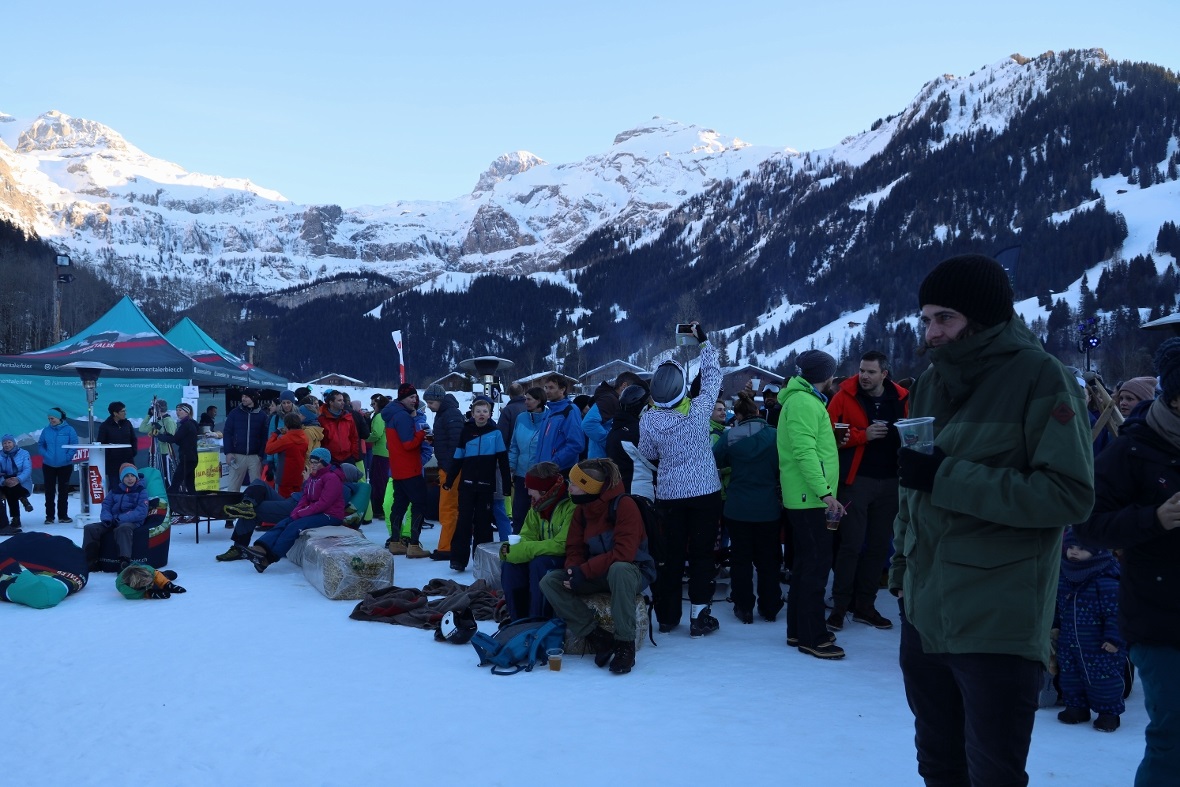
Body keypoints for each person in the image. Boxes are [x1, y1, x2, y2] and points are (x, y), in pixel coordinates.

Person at [891, 254, 1094, 787]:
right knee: (938, 765)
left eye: (945, 318)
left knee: (993, 775)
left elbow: (1069, 495)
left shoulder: (1042, 378)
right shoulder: (931, 381)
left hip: (997, 618)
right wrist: (901, 573)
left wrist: (947, 477)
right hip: (925, 612)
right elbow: (914, 492)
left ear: (982, 317)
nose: (932, 332)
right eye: (927, 318)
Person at [1076, 336, 1180, 784]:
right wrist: (1154, 518)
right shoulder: (1133, 449)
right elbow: (1088, 523)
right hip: (1161, 617)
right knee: (1173, 736)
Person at [639, 320, 724, 638]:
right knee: (702, 554)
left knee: (670, 555)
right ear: (681, 387)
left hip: (670, 496)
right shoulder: (700, 409)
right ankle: (700, 617)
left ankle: (667, 616)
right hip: (705, 493)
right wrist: (704, 343)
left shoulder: (648, 419)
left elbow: (648, 454)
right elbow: (714, 376)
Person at [538, 458, 656, 674]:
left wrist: (585, 570)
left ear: (588, 488)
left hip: (632, 572)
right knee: (550, 581)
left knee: (619, 568)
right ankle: (597, 636)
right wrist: (573, 570)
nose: (569, 487)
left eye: (574, 484)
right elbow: (574, 548)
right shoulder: (582, 509)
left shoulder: (625, 506)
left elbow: (624, 553)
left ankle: (624, 645)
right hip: (596, 573)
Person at [825, 349, 909, 632]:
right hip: (856, 481)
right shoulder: (844, 397)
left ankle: (865, 605)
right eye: (862, 370)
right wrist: (864, 436)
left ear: (884, 374)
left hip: (890, 482)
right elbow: (828, 439)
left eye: (871, 372)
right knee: (850, 544)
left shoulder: (900, 399)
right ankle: (839, 607)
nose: (864, 376)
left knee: (877, 547)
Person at [777, 349, 845, 659]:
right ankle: (812, 637)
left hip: (806, 496)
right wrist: (825, 493)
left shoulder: (804, 400)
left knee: (806, 565)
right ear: (826, 376)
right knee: (816, 568)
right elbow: (804, 453)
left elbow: (810, 448)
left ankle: (797, 630)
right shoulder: (805, 402)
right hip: (810, 499)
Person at [713, 391, 781, 625]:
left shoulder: (731, 435)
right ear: (758, 413)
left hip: (738, 507)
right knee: (769, 559)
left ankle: (744, 607)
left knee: (741, 559)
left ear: (739, 415)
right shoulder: (775, 435)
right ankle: (770, 606)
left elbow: (716, 460)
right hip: (768, 507)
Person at [1053, 528, 1124, 732]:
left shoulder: (1106, 580)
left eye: (1082, 549)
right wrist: (1055, 627)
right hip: (1069, 641)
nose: (1074, 552)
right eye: (1071, 547)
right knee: (1070, 677)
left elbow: (1117, 613)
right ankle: (1077, 708)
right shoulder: (1064, 577)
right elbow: (1058, 606)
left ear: (1097, 551)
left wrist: (1114, 638)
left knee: (1104, 679)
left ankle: (1109, 714)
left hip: (1100, 644)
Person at [241, 448, 346, 572]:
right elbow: (305, 497)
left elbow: (324, 503)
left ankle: (269, 558)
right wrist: (296, 511)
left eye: (315, 462)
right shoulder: (313, 477)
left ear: (324, 463)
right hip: (316, 512)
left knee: (295, 526)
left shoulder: (331, 478)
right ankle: (261, 547)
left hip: (330, 515)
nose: (312, 465)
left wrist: (302, 513)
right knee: (285, 522)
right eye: (311, 461)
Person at [443, 396, 511, 571]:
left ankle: (481, 559)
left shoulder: (495, 433)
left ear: (490, 414)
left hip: (486, 486)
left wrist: (507, 484)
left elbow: (503, 461)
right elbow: (457, 458)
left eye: (485, 411)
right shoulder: (466, 431)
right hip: (466, 486)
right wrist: (449, 480)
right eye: (478, 411)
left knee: (483, 524)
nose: (481, 414)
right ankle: (458, 559)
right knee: (464, 522)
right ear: (472, 414)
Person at [500, 462, 573, 620]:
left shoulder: (571, 505)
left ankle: (537, 619)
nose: (527, 492)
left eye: (531, 488)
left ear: (544, 489)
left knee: (539, 564)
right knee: (511, 565)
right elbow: (527, 535)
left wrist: (523, 550)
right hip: (543, 554)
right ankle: (518, 619)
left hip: (569, 559)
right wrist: (514, 549)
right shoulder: (538, 505)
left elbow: (562, 544)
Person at [382, 384, 431, 558]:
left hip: (397, 469)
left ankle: (395, 542)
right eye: (412, 397)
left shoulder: (391, 415)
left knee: (399, 504)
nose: (415, 400)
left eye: (416, 397)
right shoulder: (402, 416)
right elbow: (408, 444)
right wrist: (421, 434)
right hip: (410, 468)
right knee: (419, 504)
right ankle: (414, 545)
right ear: (403, 397)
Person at [82, 463, 149, 571]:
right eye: (127, 476)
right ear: (122, 478)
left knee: (123, 529)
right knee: (90, 528)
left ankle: (124, 561)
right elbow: (106, 505)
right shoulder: (115, 490)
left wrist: (121, 519)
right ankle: (90, 561)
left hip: (132, 522)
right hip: (113, 520)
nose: (130, 479)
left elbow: (141, 511)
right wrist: (107, 518)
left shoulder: (141, 491)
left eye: (132, 476)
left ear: (136, 477)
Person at [424, 383, 464, 562]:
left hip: (450, 469)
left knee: (448, 508)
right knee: (448, 508)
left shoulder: (451, 414)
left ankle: (447, 548)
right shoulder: (444, 414)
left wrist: (449, 468)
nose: (429, 406)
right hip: (447, 467)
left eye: (431, 402)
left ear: (439, 400)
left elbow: (457, 443)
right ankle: (450, 545)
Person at [507, 387, 547, 534]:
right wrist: (511, 466)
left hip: (541, 475)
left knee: (538, 513)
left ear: (539, 400)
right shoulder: (521, 418)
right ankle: (517, 542)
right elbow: (514, 445)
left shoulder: (549, 418)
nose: (526, 402)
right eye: (525, 398)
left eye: (529, 399)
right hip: (522, 474)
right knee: (519, 512)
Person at [582, 372, 644, 459]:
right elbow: (588, 423)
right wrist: (611, 442)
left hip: (606, 460)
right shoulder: (608, 399)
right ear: (624, 386)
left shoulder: (617, 400)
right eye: (633, 388)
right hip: (601, 461)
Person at [533, 374, 584, 473]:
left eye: (551, 388)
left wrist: (553, 462)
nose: (547, 391)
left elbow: (576, 444)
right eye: (546, 387)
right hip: (543, 470)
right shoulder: (550, 412)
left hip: (559, 471)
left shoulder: (570, 411)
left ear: (562, 389)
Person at [221, 390, 268, 492]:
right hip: (237, 455)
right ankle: (231, 505)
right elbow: (227, 432)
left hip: (255, 457)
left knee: (256, 487)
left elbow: (265, 437)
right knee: (233, 487)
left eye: (246, 396)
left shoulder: (262, 415)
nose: (243, 399)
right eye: (243, 396)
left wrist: (260, 455)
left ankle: (255, 506)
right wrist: (228, 452)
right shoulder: (234, 413)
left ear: (253, 398)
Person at [38, 408, 78, 524]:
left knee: (63, 491)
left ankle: (63, 516)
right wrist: (46, 455)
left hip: (65, 465)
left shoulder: (69, 430)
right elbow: (41, 444)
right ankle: (49, 516)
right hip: (48, 465)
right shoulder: (46, 430)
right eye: (49, 419)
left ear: (59, 417)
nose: (51, 420)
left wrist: (67, 457)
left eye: (52, 418)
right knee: (49, 492)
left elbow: (74, 445)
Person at [156, 403, 199, 494]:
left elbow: (175, 439)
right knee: (190, 483)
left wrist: (160, 436)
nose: (177, 412)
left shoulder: (187, 425)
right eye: (177, 410)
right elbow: (180, 440)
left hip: (187, 458)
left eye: (180, 410)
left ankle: (172, 503)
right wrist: (168, 436)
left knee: (176, 482)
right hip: (191, 458)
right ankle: (193, 503)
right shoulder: (190, 423)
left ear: (187, 412)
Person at [264, 413, 309, 498]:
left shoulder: (286, 439)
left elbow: (268, 449)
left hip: (285, 476)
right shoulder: (304, 437)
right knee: (297, 500)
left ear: (286, 424)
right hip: (299, 474)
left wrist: (275, 434)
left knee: (284, 501)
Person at [97, 401, 136, 490]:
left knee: (129, 484)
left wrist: (133, 451)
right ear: (115, 413)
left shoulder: (127, 423)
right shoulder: (105, 426)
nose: (125, 413)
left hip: (128, 460)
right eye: (122, 411)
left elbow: (133, 439)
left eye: (125, 410)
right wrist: (110, 454)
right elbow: (101, 443)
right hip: (113, 463)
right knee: (115, 486)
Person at [0, 434, 34, 533]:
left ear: (14, 443)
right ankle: (22, 499)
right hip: (4, 480)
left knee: (12, 490)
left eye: (9, 442)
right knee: (9, 489)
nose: (7, 445)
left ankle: (15, 518)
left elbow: (27, 469)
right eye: (4, 443)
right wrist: (3, 481)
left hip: (22, 481)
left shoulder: (24, 453)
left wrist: (18, 479)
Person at [319, 390, 361, 466]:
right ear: (331, 402)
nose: (343, 402)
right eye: (339, 400)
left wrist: (354, 455)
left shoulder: (348, 417)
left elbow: (354, 437)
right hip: (331, 459)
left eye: (343, 400)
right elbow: (321, 441)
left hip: (348, 457)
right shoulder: (322, 419)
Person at [366, 393, 391, 521]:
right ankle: (380, 508)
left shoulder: (379, 416)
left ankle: (379, 509)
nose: (372, 406)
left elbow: (377, 433)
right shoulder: (385, 415)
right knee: (381, 481)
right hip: (385, 452)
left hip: (381, 453)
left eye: (373, 404)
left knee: (378, 481)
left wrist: (365, 437)